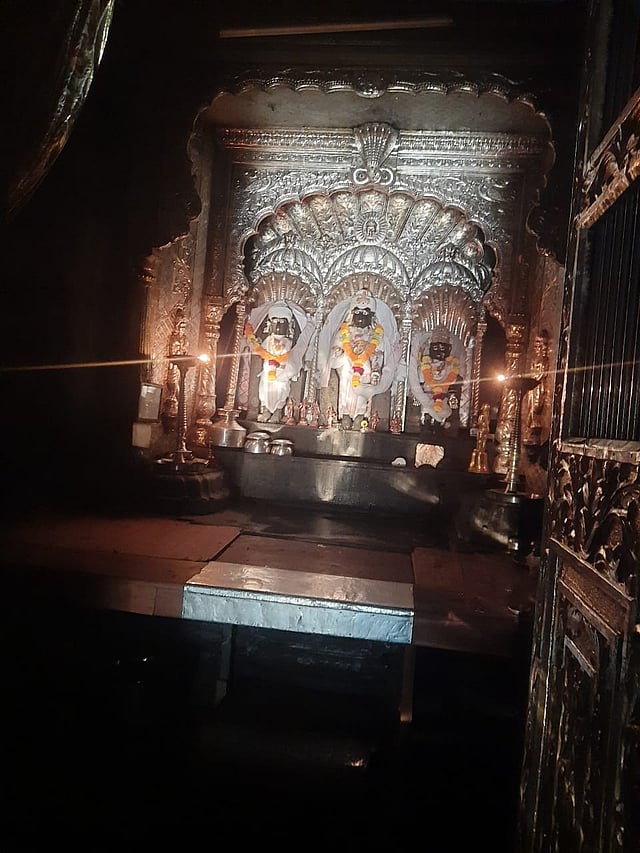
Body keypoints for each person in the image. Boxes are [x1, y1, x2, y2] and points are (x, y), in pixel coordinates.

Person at [244, 301, 314, 424]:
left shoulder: (288, 341)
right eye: (276, 321)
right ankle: (266, 410)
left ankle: (277, 412)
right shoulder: (268, 339)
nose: (278, 325)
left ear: (288, 325)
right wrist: (254, 342)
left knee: (281, 390)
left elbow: (291, 354)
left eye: (282, 322)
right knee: (264, 389)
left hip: (282, 371)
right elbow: (260, 350)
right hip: (268, 371)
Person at [416, 325, 464, 435]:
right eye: (435, 348)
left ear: (449, 349)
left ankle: (439, 427)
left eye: (442, 349)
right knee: (427, 413)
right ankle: (426, 424)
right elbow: (420, 381)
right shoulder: (426, 364)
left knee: (442, 414)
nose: (438, 351)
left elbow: (454, 381)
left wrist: (452, 395)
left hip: (443, 396)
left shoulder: (450, 365)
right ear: (430, 348)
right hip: (428, 395)